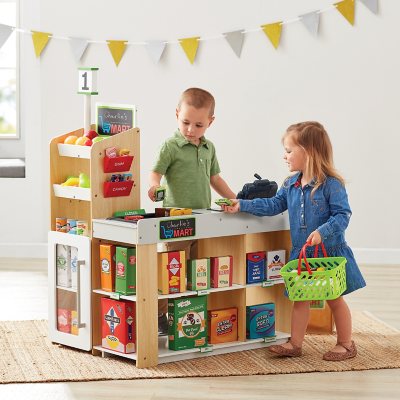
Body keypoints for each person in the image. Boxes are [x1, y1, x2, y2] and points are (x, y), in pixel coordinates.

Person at [222, 121, 366, 361]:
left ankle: (346, 343)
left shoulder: (331, 185)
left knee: (334, 299)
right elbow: (274, 205)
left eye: (289, 150)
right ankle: (295, 343)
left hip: (328, 253)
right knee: (300, 298)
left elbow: (343, 215)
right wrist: (242, 205)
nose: (284, 156)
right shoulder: (290, 184)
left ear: (308, 152)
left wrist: (323, 231)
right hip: (303, 255)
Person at [149, 87, 236, 334]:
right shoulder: (171, 146)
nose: (190, 130)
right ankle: (158, 316)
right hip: (176, 220)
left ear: (210, 122)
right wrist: (154, 186)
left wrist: (235, 199)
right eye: (185, 122)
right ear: (177, 114)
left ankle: (191, 315)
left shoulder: (209, 148)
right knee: (171, 270)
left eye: (199, 125)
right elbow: (155, 172)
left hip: (203, 218)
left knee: (198, 270)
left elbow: (215, 179)